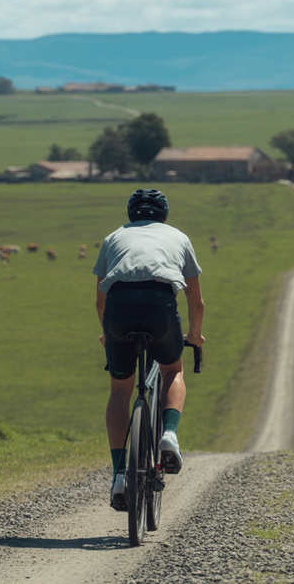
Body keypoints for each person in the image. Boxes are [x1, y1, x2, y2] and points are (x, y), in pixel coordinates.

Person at [92, 189, 205, 510]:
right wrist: (195, 336)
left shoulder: (113, 238)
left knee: (120, 390)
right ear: (164, 215)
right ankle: (169, 434)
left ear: (131, 214)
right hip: (160, 308)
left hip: (118, 312)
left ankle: (118, 474)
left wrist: (107, 333)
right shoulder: (179, 237)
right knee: (173, 370)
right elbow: (195, 301)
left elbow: (100, 300)